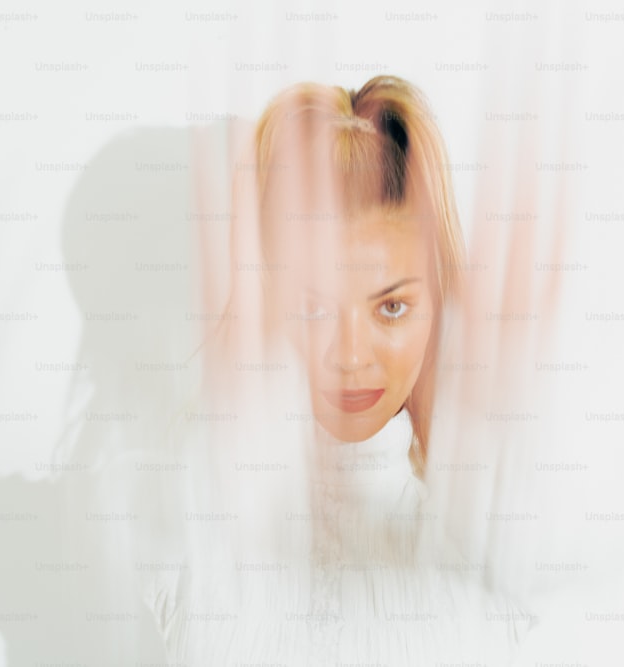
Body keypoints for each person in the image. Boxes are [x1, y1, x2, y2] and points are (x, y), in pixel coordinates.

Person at [143, 75, 538, 666]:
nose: (350, 355)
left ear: (438, 303)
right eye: (313, 306)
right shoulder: (184, 503)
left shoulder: (506, 512)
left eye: (392, 307)